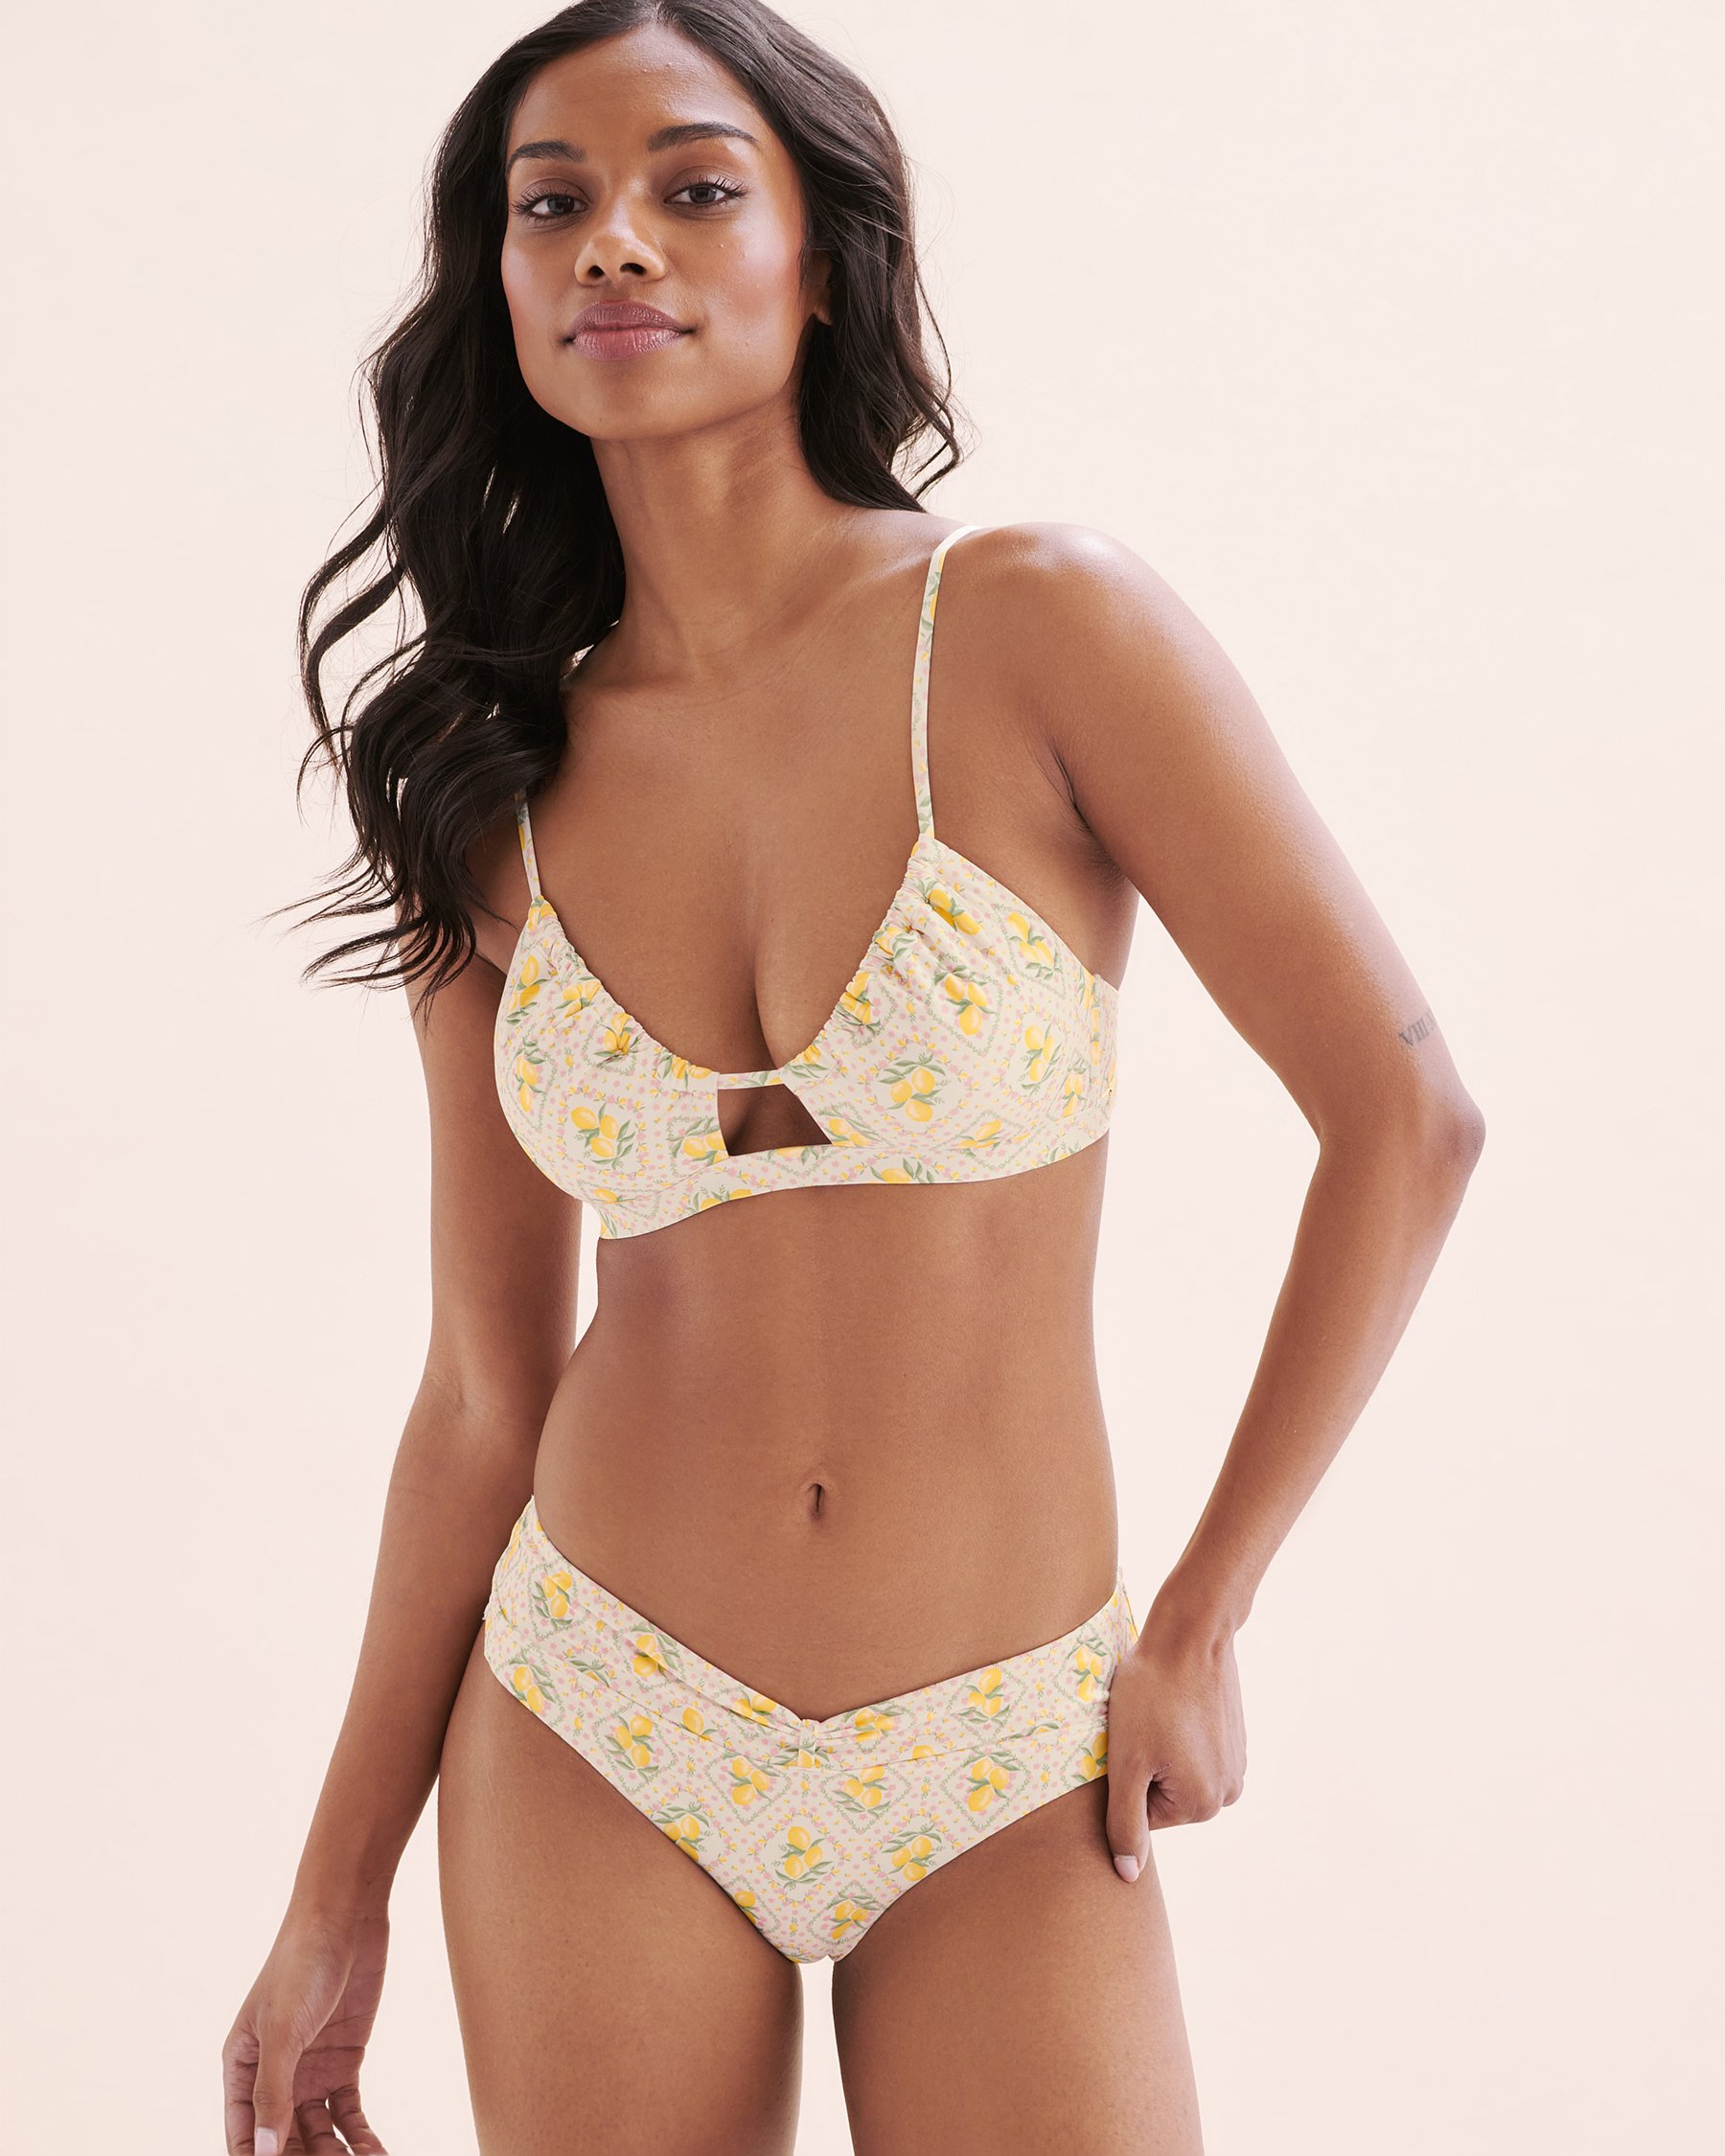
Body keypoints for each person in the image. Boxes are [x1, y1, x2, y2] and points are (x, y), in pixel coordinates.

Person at [221, 3, 1485, 2150]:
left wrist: (1202, 1616)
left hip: (1009, 1740)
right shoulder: (478, 775)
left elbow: (1406, 1119)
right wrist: (335, 1893)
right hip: (599, 1715)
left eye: (694, 188)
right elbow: (483, 1388)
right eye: (553, 204)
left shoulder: (1036, 626)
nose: (615, 243)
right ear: (502, 284)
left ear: (822, 262)